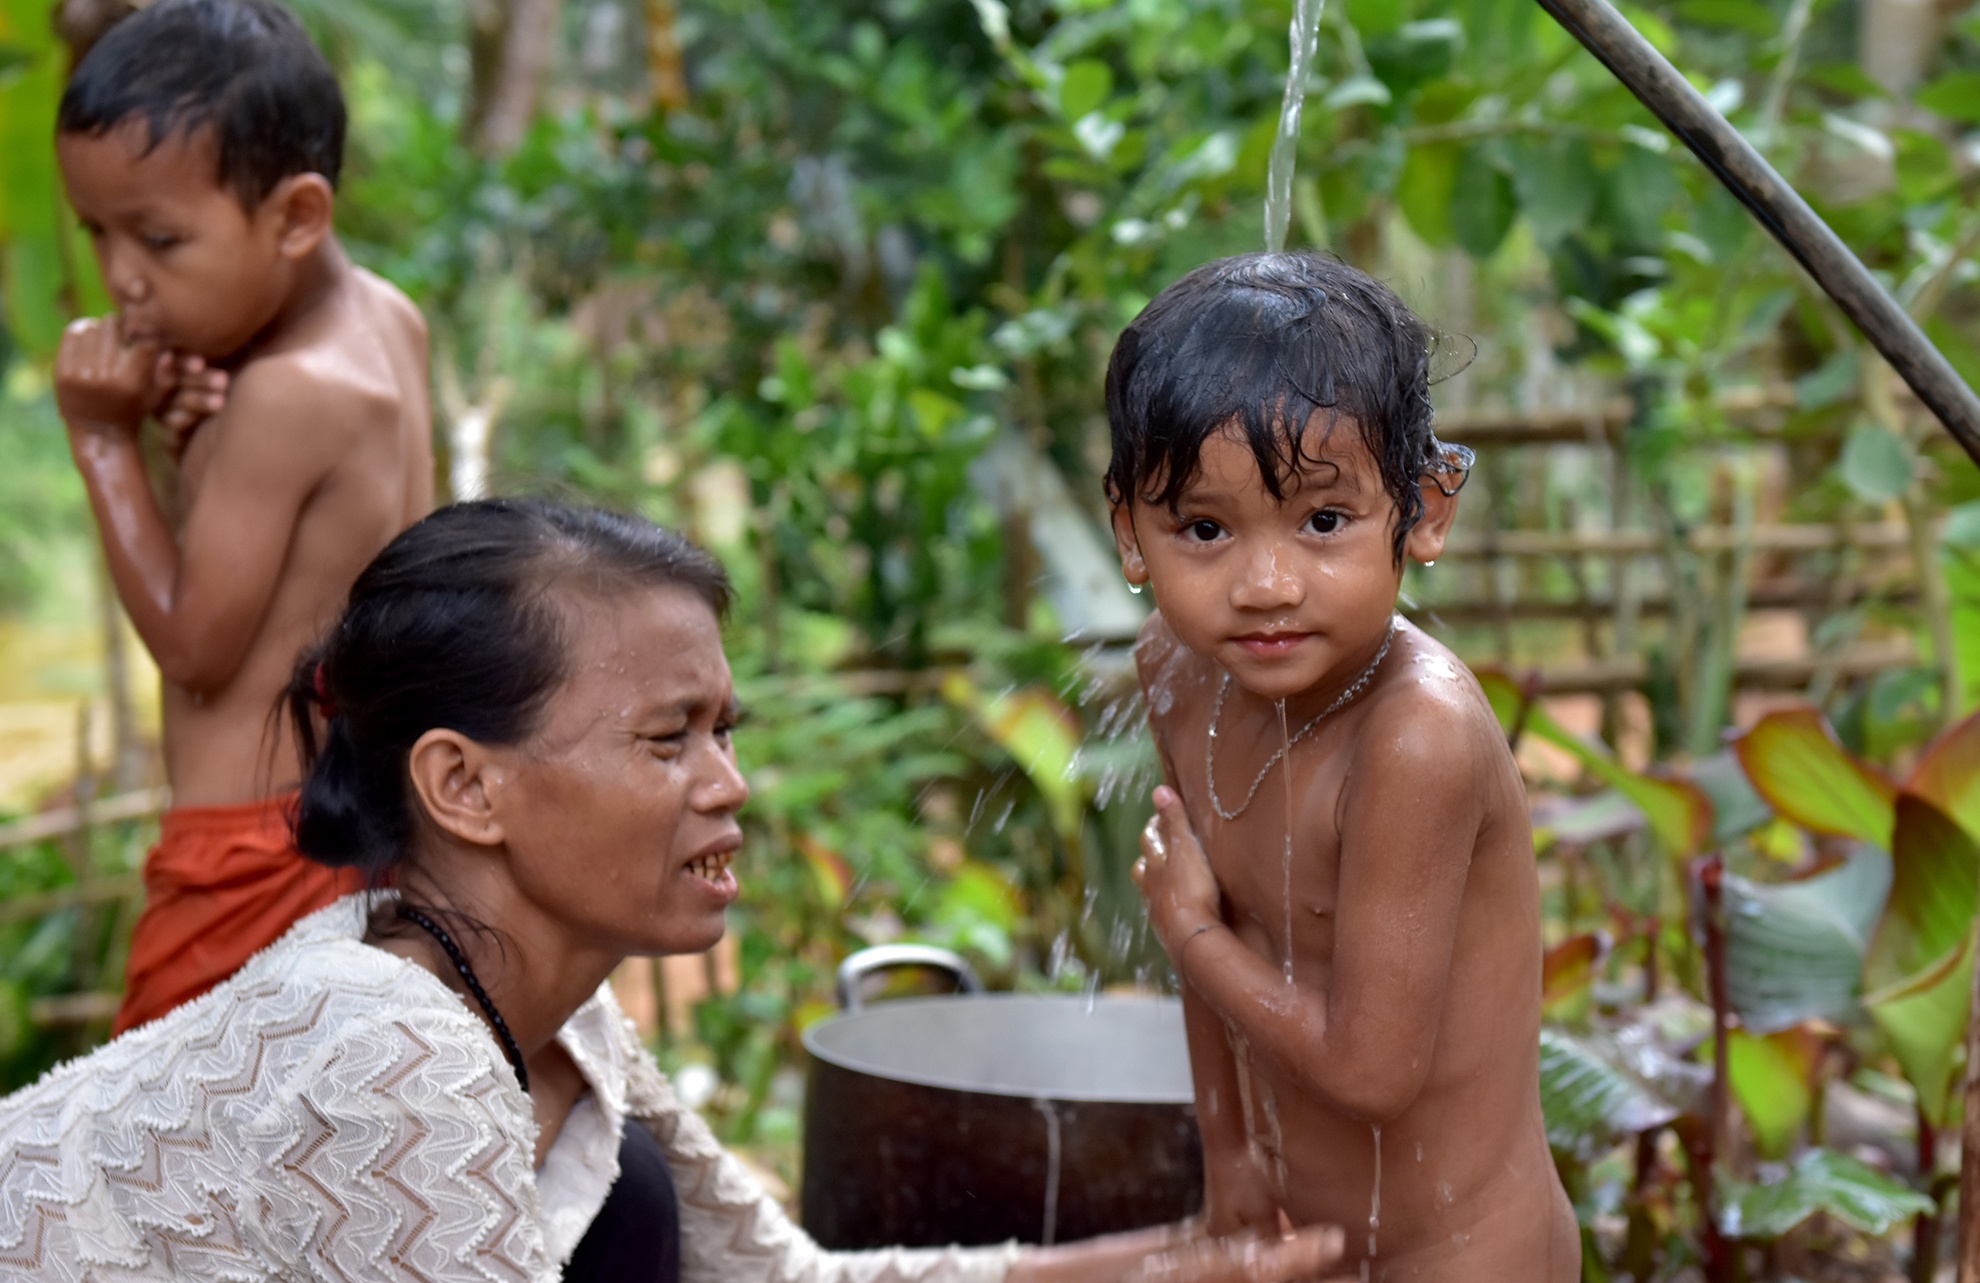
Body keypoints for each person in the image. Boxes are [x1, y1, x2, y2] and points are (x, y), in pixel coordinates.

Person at [0, 499, 1347, 1283]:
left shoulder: (543, 1010)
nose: (730, 783)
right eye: (667, 739)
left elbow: (778, 1280)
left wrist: (1178, 1260)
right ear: (465, 784)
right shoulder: (383, 1040)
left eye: (726, 727)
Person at [1107, 253, 1578, 1282]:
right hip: (1306, 1238)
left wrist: (1183, 926)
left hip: (1465, 1254)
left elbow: (1372, 1068)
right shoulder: (1179, 672)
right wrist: (1229, 1152)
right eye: (1203, 528)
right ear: (1129, 534)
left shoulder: (1417, 736)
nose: (1266, 583)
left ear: (1426, 509)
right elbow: (1222, 919)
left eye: (1324, 521)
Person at [50, 0, 434, 1034]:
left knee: (162, 1150)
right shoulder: (388, 322)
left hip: (247, 856)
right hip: (350, 822)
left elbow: (196, 647)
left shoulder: (285, 391)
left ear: (297, 216)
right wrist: (188, 451)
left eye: (160, 238)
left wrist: (102, 442)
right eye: (99, 232)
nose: (120, 277)